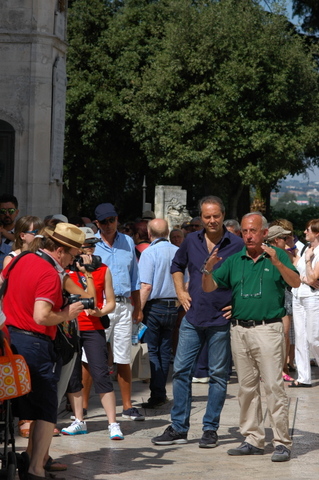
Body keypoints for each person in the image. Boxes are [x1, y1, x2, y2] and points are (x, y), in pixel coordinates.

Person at [202, 212, 300, 462]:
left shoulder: (278, 257)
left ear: (265, 233)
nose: (248, 235)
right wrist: (207, 270)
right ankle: (253, 438)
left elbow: (296, 283)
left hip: (268, 329)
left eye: (253, 231)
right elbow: (209, 287)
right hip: (239, 330)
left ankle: (281, 442)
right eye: (244, 231)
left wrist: (278, 262)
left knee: (273, 387)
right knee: (246, 388)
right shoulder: (235, 260)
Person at [152, 195, 243, 448]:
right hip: (192, 317)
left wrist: (236, 304)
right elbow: (177, 266)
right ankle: (179, 427)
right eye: (207, 216)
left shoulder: (236, 244)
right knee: (181, 371)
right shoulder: (191, 240)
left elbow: (244, 277)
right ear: (201, 217)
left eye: (215, 215)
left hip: (219, 320)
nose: (211, 220)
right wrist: (180, 292)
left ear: (223, 215)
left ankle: (210, 429)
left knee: (218, 376)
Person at [2, 223, 86, 480]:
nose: (74, 260)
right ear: (60, 250)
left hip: (9, 339)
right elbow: (42, 315)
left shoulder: (20, 259)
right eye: (72, 254)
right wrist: (66, 314)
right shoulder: (49, 273)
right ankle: (36, 468)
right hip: (35, 343)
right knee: (46, 408)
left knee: (20, 406)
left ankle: (29, 459)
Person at [61, 227, 123, 440]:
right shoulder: (66, 270)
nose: (91, 250)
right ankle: (79, 420)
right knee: (73, 377)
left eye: (92, 245)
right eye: (87, 245)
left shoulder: (103, 269)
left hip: (93, 327)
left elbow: (110, 302)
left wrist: (100, 312)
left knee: (101, 373)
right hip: (71, 328)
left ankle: (113, 423)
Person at [94, 203, 144, 421]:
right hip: (100, 305)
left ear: (117, 219)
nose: (108, 225)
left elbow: (134, 277)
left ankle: (127, 405)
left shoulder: (128, 241)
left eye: (111, 220)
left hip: (124, 304)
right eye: (104, 222)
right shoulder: (91, 245)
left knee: (124, 356)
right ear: (97, 223)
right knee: (91, 356)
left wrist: (138, 308)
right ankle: (83, 407)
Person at [139, 219, 179, 408]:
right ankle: (160, 392)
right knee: (164, 350)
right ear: (168, 231)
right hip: (173, 305)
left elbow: (146, 286)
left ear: (149, 233)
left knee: (153, 350)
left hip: (155, 306)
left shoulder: (149, 253)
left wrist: (138, 309)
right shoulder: (177, 251)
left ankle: (157, 394)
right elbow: (185, 283)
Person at [290, 219, 319, 388]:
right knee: (300, 336)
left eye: (308, 230)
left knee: (313, 337)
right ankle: (303, 377)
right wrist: (303, 279)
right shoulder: (304, 248)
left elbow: (314, 277)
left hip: (313, 297)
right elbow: (297, 272)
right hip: (298, 295)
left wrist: (308, 260)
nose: (305, 232)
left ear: (316, 233)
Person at [0, 193, 19, 269]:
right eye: (3, 211)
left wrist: (5, 233)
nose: (7, 214)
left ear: (17, 212)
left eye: (11, 211)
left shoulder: (23, 231)